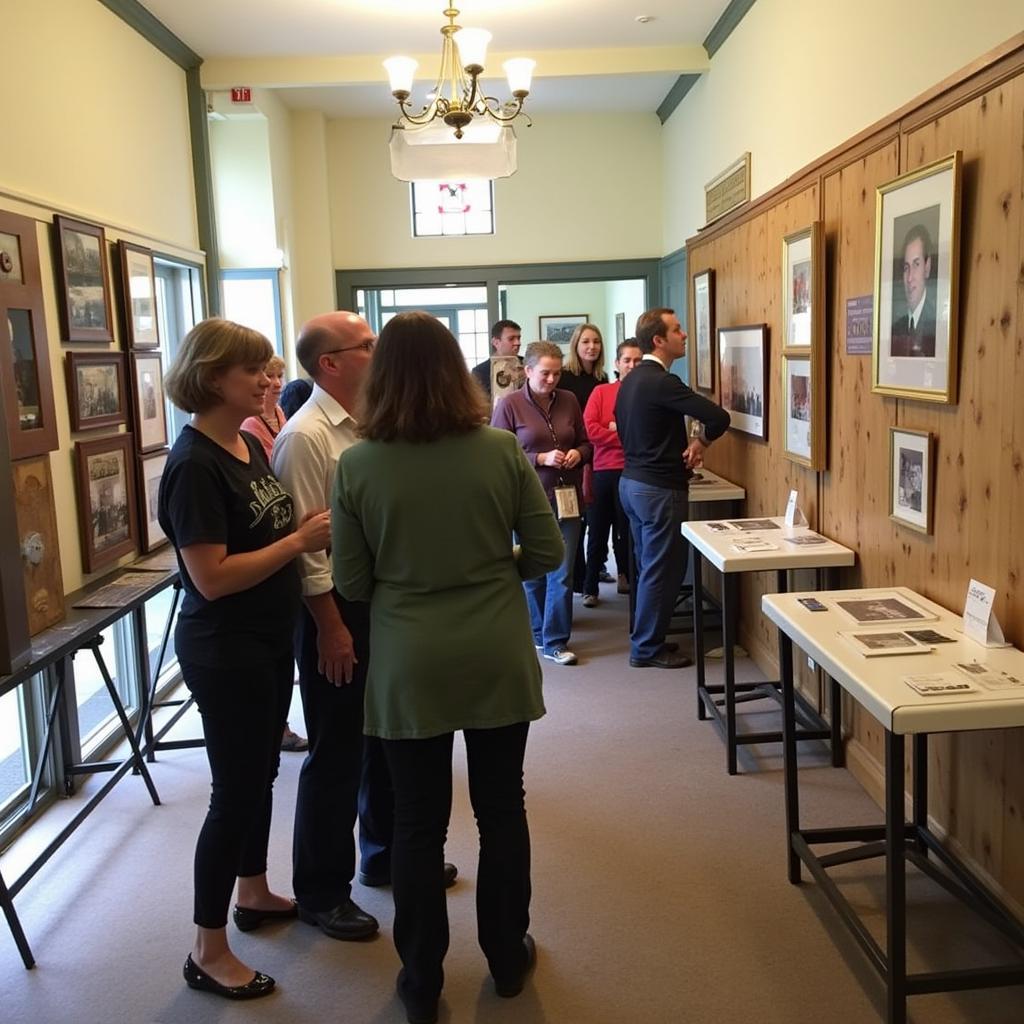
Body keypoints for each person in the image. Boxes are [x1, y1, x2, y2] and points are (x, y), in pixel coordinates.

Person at [332, 311, 563, 1024]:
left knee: (415, 826)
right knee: (502, 810)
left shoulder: (358, 463)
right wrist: (496, 571)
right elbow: (549, 553)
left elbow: (353, 583)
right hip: (494, 646)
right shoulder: (498, 450)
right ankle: (505, 955)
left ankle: (422, 979)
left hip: (408, 658)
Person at [158, 318, 332, 1001]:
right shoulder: (194, 465)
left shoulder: (242, 443)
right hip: (224, 652)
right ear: (210, 378)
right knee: (232, 794)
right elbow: (213, 577)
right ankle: (207, 949)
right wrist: (298, 543)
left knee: (259, 777)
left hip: (262, 643)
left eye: (267, 368)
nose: (269, 380)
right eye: (253, 371)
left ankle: (253, 891)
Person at [272, 311, 415, 942]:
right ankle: (321, 892)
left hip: (379, 606)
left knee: (384, 739)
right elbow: (305, 549)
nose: (378, 350)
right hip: (335, 613)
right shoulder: (307, 438)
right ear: (330, 363)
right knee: (336, 753)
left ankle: (380, 857)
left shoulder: (370, 424)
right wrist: (331, 629)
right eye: (367, 345)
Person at [616, 308, 730, 669]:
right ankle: (647, 648)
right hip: (658, 489)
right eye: (677, 330)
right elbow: (718, 417)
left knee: (648, 567)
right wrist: (702, 443)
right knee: (662, 570)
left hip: (631, 483)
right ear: (658, 340)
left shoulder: (630, 380)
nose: (685, 335)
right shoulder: (663, 382)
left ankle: (644, 638)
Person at [492, 341, 591, 666]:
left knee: (562, 572)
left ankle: (555, 641)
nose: (551, 380)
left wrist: (579, 453)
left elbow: (586, 442)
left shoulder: (569, 400)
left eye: (557, 373)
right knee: (532, 571)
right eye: (545, 373)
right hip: (528, 501)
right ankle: (537, 632)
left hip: (569, 498)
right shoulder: (509, 405)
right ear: (528, 371)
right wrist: (540, 457)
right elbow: (498, 455)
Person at [241, 355, 309, 753]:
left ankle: (280, 725)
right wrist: (299, 540)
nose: (274, 382)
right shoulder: (251, 427)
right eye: (265, 374)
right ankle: (279, 727)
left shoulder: (279, 416)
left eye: (278, 374)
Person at [582, 339, 643, 601]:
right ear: (617, 364)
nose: (632, 365)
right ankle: (590, 587)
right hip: (603, 471)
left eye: (637, 360)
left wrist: (613, 429)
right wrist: (626, 436)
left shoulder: (646, 393)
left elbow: (647, 436)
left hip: (632, 472)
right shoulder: (601, 392)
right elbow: (590, 429)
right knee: (596, 532)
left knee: (626, 532)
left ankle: (625, 577)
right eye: (627, 360)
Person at [557, 323, 609, 603]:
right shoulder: (565, 379)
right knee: (576, 522)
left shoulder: (603, 380)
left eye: (596, 342)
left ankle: (595, 568)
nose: (592, 347)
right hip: (573, 456)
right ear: (576, 345)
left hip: (599, 455)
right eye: (586, 341)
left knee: (597, 520)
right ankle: (577, 578)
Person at [890, 223, 937, 357]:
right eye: (906, 268)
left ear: (927, 268)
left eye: (916, 264)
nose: (910, 277)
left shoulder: (936, 326)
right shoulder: (896, 328)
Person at [240, 354, 287, 460]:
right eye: (269, 376)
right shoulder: (249, 421)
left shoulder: (278, 411)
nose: (277, 383)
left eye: (279, 376)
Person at [471, 319, 522, 399]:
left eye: (518, 338)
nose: (518, 343)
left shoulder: (528, 365)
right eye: (511, 339)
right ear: (496, 342)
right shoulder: (479, 372)